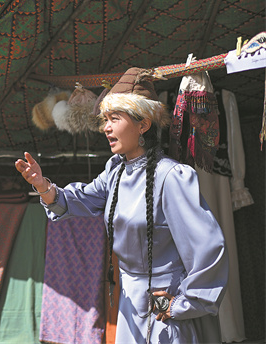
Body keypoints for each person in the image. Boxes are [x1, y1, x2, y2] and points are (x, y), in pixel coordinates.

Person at [15, 68, 228, 343]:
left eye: (114, 118)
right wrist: (42, 185)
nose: (106, 127)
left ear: (143, 124)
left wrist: (181, 303)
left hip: (164, 307)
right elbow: (79, 200)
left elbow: (209, 247)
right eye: (105, 119)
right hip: (129, 305)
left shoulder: (171, 178)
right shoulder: (115, 172)